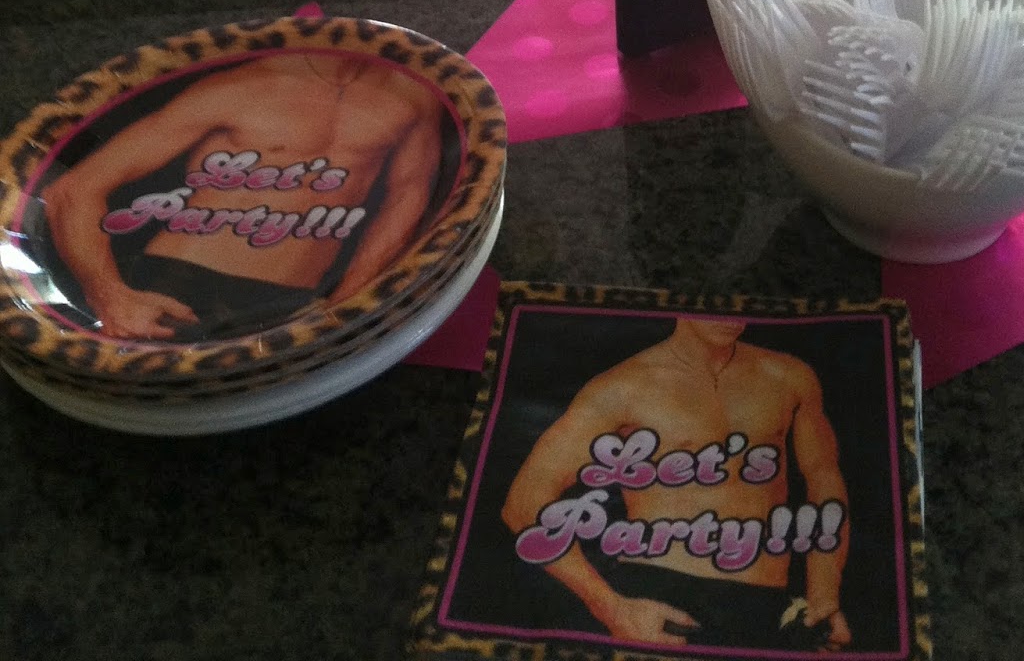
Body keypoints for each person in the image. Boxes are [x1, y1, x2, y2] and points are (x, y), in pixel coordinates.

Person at [502, 316, 851, 650]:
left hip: (764, 603)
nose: (727, 317)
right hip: (659, 595)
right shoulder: (623, 386)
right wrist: (611, 607)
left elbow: (822, 477)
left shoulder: (790, 376)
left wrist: (823, 595)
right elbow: (523, 502)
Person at [41, 52, 443, 340]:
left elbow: (408, 197)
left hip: (303, 296)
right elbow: (74, 188)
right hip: (177, 284)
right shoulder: (242, 86)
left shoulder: (413, 92)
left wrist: (350, 297)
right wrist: (109, 296)